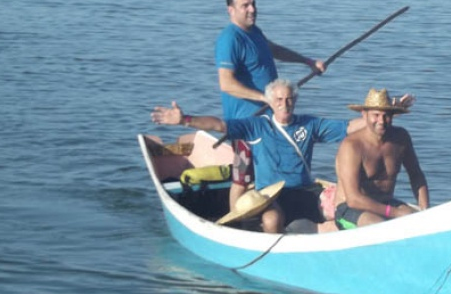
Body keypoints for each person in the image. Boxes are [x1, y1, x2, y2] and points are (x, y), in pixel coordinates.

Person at [151, 80, 414, 234]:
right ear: (270, 102)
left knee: (340, 209)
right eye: (278, 100)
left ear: (295, 101)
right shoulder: (256, 126)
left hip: (306, 191)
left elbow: (349, 127)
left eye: (289, 99)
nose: (284, 104)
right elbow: (219, 125)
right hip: (271, 195)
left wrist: (382, 113)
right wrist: (185, 120)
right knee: (272, 219)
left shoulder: (309, 125)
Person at [216, 0, 326, 213]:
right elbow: (226, 83)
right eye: (245, 6)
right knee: (242, 177)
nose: (252, 9)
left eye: (253, 4)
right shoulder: (229, 39)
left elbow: (274, 49)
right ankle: (236, 221)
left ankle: (276, 213)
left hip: (268, 119)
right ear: (231, 10)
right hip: (246, 121)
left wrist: (307, 62)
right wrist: (265, 98)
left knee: (269, 172)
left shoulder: (255, 32)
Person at [333, 88, 429, 230]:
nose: (381, 121)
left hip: (385, 203)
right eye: (376, 115)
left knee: (416, 221)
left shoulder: (401, 138)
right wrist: (395, 213)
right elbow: (353, 199)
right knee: (379, 225)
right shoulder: (351, 146)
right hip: (349, 208)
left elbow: (416, 175)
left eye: (386, 116)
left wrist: (425, 211)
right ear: (364, 115)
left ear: (393, 115)